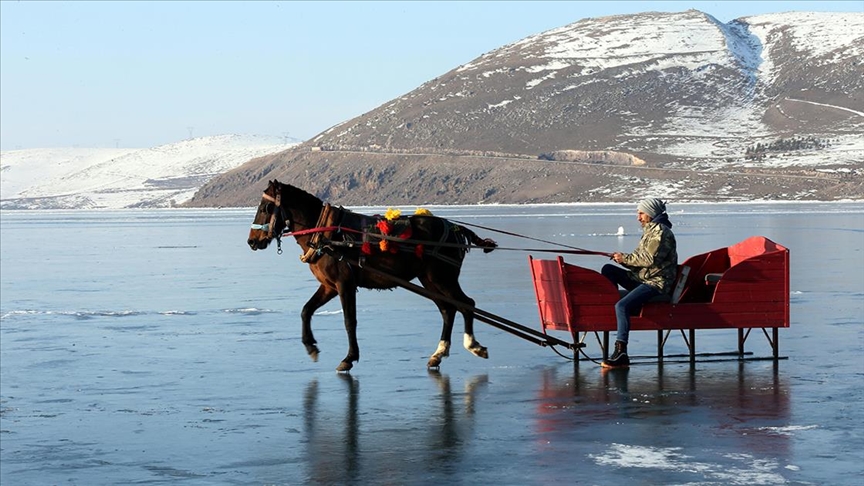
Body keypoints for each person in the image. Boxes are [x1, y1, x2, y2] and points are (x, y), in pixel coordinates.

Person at [600, 198, 678, 368]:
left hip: (657, 283)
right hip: (642, 278)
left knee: (622, 306)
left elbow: (650, 259)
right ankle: (619, 310)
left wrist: (625, 258)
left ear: (651, 213)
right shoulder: (650, 231)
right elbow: (639, 260)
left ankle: (621, 353)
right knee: (609, 269)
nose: (638, 217)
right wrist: (621, 260)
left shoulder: (661, 232)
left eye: (641, 213)